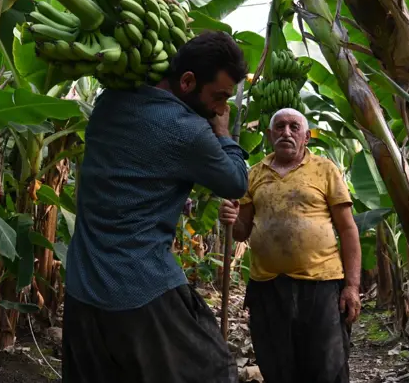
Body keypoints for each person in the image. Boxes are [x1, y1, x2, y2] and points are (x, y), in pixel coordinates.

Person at [63, 30, 250, 383]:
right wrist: (223, 133)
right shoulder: (190, 130)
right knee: (212, 371)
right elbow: (236, 181)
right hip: (140, 287)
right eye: (219, 97)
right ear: (188, 81)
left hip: (82, 290)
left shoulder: (108, 103)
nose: (221, 108)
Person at [220, 108, 361, 383]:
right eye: (280, 127)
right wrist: (231, 218)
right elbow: (241, 232)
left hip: (320, 283)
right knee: (277, 365)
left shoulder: (324, 169)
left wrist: (352, 287)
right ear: (270, 135)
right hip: (267, 286)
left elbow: (347, 229)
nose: (286, 132)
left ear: (307, 136)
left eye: (294, 127)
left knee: (326, 365)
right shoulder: (254, 174)